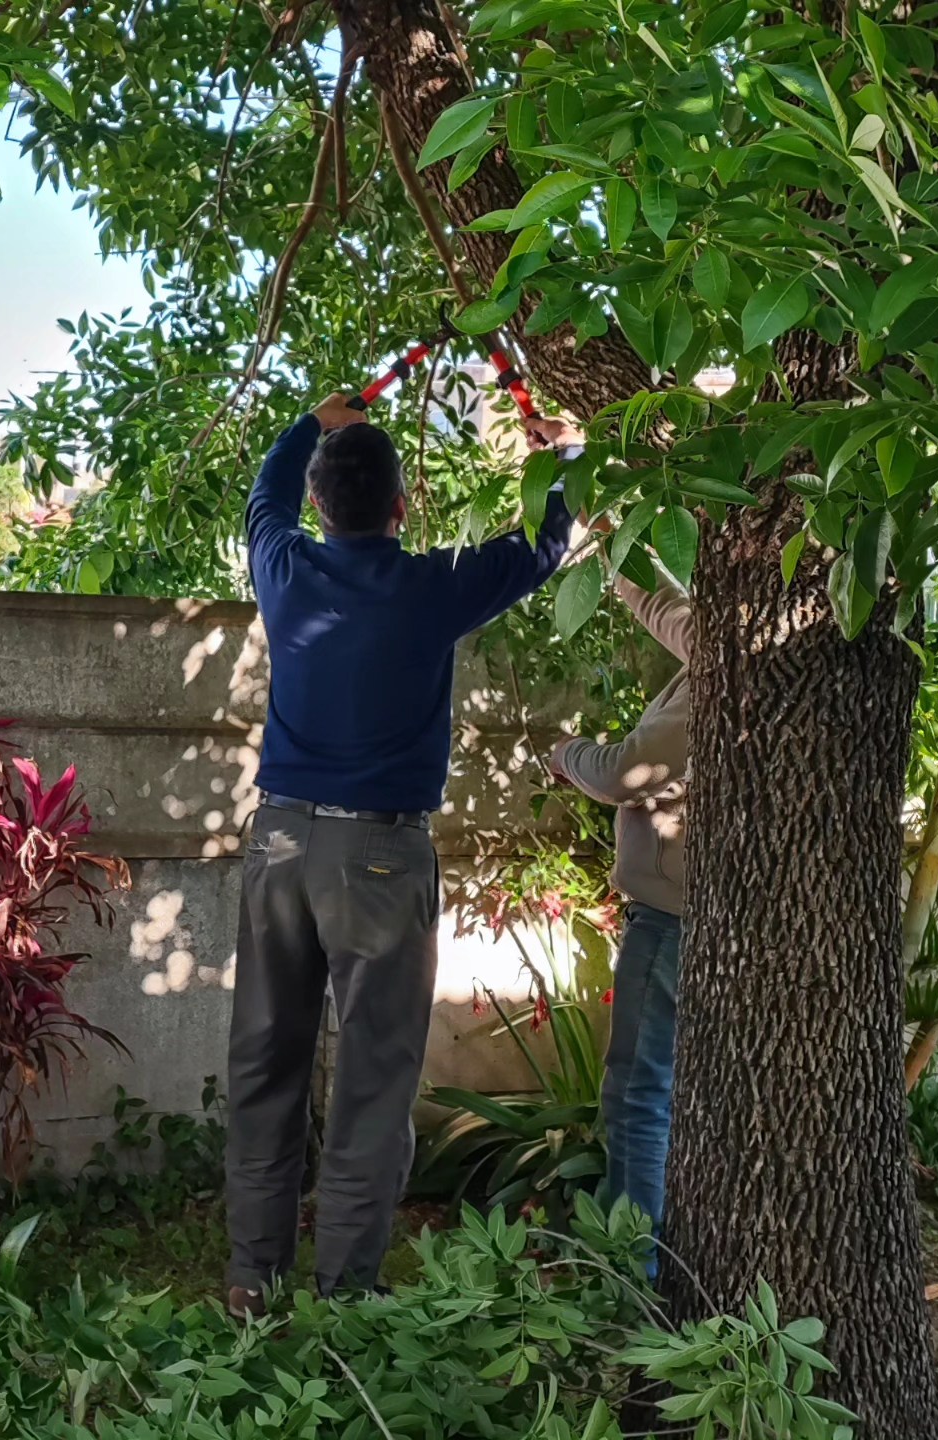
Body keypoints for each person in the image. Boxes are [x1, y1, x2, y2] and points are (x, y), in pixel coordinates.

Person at [225, 391, 583, 1317]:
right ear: (401, 507)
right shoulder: (433, 586)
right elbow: (546, 546)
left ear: (321, 503)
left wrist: (314, 422)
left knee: (267, 1060)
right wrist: (563, 457)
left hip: (276, 841)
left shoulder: (285, 568)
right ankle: (345, 1297)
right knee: (375, 1080)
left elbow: (262, 501)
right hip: (378, 855)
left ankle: (251, 1282)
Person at [548, 525, 690, 1267]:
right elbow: (665, 605)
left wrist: (564, 753)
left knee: (638, 1093)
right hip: (688, 915)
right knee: (650, 1093)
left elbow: (625, 772)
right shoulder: (734, 640)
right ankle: (621, 1252)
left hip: (671, 919)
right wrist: (609, 531)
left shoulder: (726, 670)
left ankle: (632, 1271)